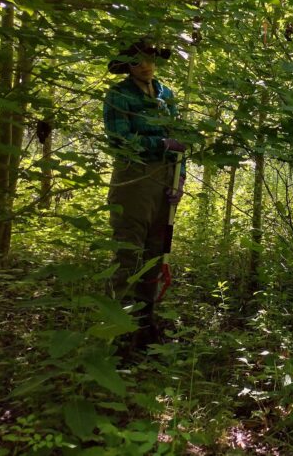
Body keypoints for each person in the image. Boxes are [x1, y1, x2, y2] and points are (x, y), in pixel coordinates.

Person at [103, 39, 186, 352]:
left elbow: (181, 140)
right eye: (138, 62)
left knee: (156, 250)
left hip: (165, 179)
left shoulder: (167, 95)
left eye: (150, 59)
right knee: (128, 251)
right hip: (133, 177)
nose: (147, 66)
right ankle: (119, 329)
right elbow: (120, 138)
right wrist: (160, 144)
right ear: (127, 66)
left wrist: (181, 179)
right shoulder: (118, 95)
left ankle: (146, 324)